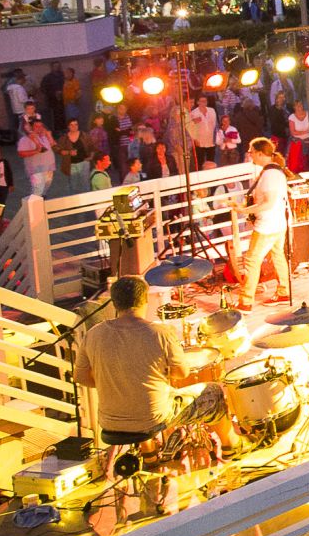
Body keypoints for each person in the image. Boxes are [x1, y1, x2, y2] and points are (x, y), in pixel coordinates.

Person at [76, 275, 209, 455]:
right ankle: (231, 446)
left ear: (114, 304)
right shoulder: (161, 333)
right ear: (145, 300)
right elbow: (181, 373)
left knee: (147, 398)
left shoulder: (93, 334)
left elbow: (81, 377)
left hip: (109, 422)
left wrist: (114, 382)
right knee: (213, 392)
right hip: (153, 419)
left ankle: (150, 455)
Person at [233, 137, 292, 310]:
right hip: (279, 223)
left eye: (251, 152)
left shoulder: (269, 175)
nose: (250, 155)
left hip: (267, 226)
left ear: (260, 153)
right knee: (277, 255)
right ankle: (284, 291)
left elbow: (268, 203)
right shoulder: (276, 171)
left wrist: (244, 211)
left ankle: (246, 302)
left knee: (251, 260)